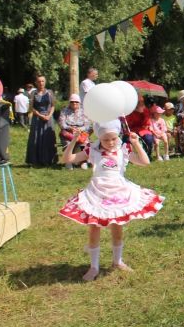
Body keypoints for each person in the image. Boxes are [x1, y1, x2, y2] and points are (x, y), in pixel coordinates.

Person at [59, 119, 164, 281]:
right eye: (105, 139)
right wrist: (74, 140)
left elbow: (145, 162)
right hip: (97, 192)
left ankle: (117, 261)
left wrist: (136, 143)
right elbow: (68, 159)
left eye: (113, 138)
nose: (110, 142)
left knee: (117, 226)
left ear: (118, 136)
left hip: (118, 191)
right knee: (94, 227)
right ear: (99, 138)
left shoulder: (124, 149)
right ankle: (94, 267)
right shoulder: (91, 150)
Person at [26, 75, 57, 166]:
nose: (41, 83)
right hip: (37, 118)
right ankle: (36, 160)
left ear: (45, 82)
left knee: (48, 139)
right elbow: (31, 108)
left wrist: (49, 116)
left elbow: (53, 106)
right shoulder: (33, 93)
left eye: (43, 81)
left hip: (48, 118)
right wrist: (40, 115)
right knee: (36, 138)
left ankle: (49, 160)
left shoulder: (50, 92)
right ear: (36, 83)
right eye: (39, 81)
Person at [59, 94, 90, 170]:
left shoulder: (84, 111)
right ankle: (68, 161)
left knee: (85, 144)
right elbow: (61, 123)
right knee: (68, 144)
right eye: (72, 102)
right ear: (69, 102)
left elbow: (87, 125)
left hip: (81, 133)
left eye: (76, 102)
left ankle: (83, 161)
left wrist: (80, 129)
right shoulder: (64, 111)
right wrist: (69, 127)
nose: (74, 104)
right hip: (68, 133)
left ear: (79, 102)